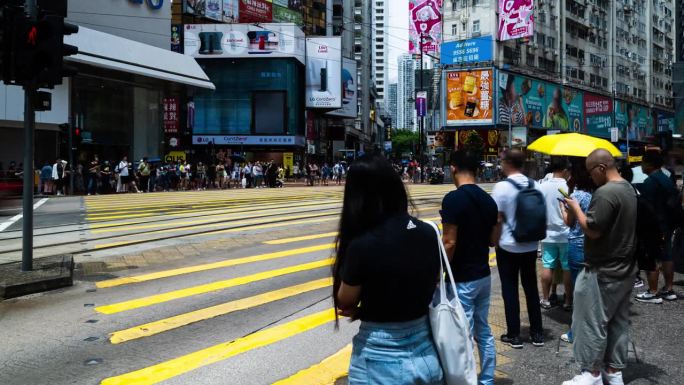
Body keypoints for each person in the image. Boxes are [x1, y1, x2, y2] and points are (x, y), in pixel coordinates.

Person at [333, 154, 443, 385]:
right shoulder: (429, 232)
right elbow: (430, 283)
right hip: (427, 354)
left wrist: (362, 309)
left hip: (380, 359)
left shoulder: (362, 245)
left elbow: (345, 300)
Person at [561, 149, 637, 385]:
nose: (590, 176)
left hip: (601, 270)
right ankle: (613, 371)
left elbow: (593, 230)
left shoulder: (606, 193)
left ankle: (590, 373)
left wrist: (575, 209)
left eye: (590, 171)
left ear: (601, 168)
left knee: (589, 321)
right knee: (618, 322)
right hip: (624, 268)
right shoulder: (628, 188)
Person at [441, 150, 498, 385]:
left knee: (462, 333)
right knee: (483, 330)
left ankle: (466, 380)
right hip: (483, 275)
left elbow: (449, 242)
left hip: (461, 278)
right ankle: (486, 380)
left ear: (453, 168)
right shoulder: (489, 200)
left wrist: (438, 270)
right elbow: (493, 240)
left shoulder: (453, 199)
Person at [491, 149, 544, 348]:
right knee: (531, 288)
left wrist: (494, 241)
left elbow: (497, 219)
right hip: (530, 244)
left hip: (508, 245)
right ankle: (537, 333)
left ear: (507, 163)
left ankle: (514, 335)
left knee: (510, 289)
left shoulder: (502, 187)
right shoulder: (534, 184)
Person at [635, 151, 679, 303]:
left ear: (649, 164)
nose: (641, 165)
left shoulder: (650, 182)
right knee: (667, 256)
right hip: (667, 225)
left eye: (642, 162)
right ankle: (669, 289)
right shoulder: (666, 179)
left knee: (651, 257)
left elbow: (646, 207)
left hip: (653, 225)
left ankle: (653, 292)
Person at [559, 159, 595, 343]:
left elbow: (569, 222)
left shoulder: (578, 196)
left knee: (578, 291)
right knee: (589, 289)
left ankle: (576, 332)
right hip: (592, 244)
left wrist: (563, 208)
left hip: (576, 243)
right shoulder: (595, 193)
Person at [539, 157, 572, 310]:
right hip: (566, 233)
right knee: (566, 267)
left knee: (547, 265)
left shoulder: (542, 186)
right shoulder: (568, 186)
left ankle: (545, 299)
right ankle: (567, 300)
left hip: (547, 233)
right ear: (565, 170)